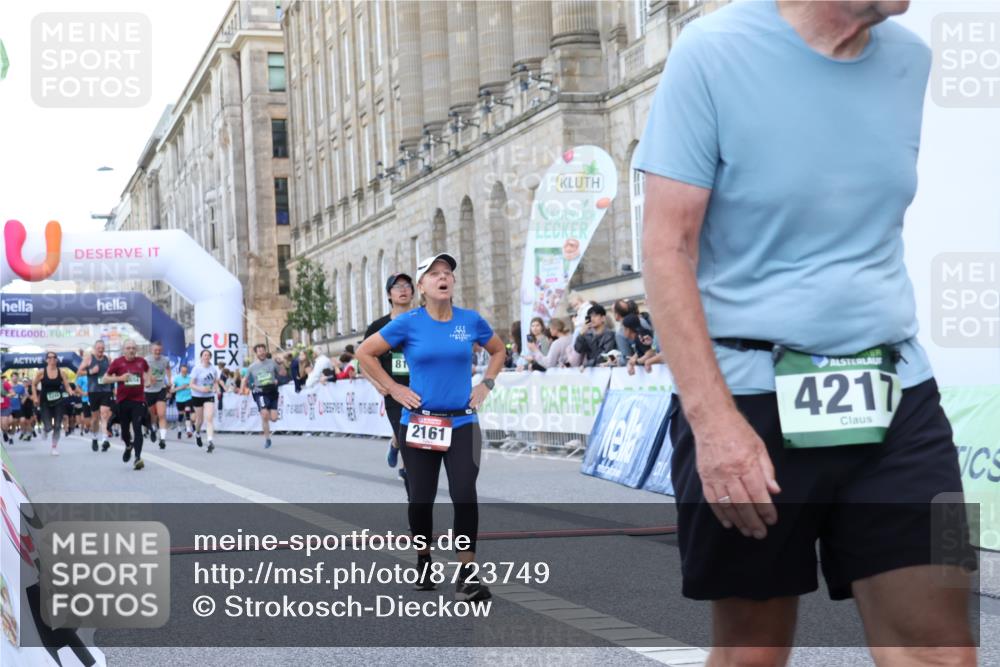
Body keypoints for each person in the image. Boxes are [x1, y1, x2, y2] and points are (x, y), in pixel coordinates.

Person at [635, 1, 975, 665]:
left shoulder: (911, 59)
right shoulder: (709, 50)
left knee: (945, 650)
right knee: (751, 654)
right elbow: (667, 246)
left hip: (901, 399)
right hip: (749, 404)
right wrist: (713, 424)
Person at [357, 252, 505, 602]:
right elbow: (365, 352)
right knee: (421, 500)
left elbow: (498, 351)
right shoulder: (409, 323)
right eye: (434, 273)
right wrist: (393, 388)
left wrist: (487, 383)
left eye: (448, 273)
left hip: (462, 421)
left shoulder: (470, 321)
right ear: (422, 286)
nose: (443, 277)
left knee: (465, 495)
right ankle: (424, 559)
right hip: (421, 423)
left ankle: (466, 574)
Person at [363, 272, 415, 492]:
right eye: (397, 286)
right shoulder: (379, 326)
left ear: (413, 291)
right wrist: (379, 385)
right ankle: (412, 490)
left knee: (413, 438)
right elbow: (363, 361)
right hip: (394, 393)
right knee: (409, 442)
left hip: (423, 389)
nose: (403, 289)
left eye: (407, 285)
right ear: (389, 294)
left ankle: (395, 446)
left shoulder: (424, 320)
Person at [103, 339, 150, 470]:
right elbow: (105, 378)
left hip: (138, 401)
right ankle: (128, 446)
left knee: (137, 429)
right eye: (128, 348)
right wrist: (120, 378)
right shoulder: (117, 362)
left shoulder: (142, 361)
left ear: (136, 350)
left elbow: (148, 371)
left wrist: (147, 381)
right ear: (124, 350)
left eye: (133, 348)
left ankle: (137, 458)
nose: (131, 350)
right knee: (125, 432)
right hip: (123, 402)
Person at [30, 352, 75, 456]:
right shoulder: (41, 372)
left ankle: (54, 447)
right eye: (49, 358)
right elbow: (33, 384)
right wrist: (35, 397)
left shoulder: (61, 372)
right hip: (45, 401)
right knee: (49, 426)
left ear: (57, 359)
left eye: (54, 357)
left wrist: (69, 390)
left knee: (58, 425)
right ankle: (45, 430)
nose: (52, 359)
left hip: (58, 401)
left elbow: (67, 385)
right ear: (46, 360)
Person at [242, 344, 281, 449]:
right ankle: (267, 439)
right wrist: (242, 389)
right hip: (260, 392)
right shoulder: (252, 367)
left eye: (263, 351)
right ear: (256, 353)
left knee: (274, 418)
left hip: (272, 391)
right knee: (264, 415)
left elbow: (283, 373)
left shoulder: (272, 362)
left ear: (265, 352)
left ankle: (273, 415)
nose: (262, 353)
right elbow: (244, 379)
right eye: (259, 351)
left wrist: (281, 363)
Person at [79, 340, 114, 452]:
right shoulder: (89, 358)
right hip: (93, 391)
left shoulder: (107, 359)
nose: (100, 349)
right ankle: (94, 437)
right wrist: (90, 372)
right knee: (95, 418)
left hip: (106, 390)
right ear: (95, 348)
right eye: (98, 347)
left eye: (102, 348)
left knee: (104, 415)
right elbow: (79, 372)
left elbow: (112, 372)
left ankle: (104, 440)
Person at [189, 350, 220, 452]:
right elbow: (191, 384)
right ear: (201, 357)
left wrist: (216, 388)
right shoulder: (197, 369)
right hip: (197, 396)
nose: (206, 357)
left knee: (209, 417)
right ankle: (197, 433)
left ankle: (210, 441)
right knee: (200, 420)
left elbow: (215, 381)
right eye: (204, 355)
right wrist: (201, 389)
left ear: (210, 357)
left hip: (209, 395)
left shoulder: (213, 369)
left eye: (208, 355)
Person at [143, 341, 172, 449]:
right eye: (155, 350)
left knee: (162, 414)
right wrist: (148, 380)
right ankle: (153, 428)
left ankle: (163, 439)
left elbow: (168, 369)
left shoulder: (165, 360)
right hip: (149, 390)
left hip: (161, 389)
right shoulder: (146, 360)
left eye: (159, 350)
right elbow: (141, 373)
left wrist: (169, 380)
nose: (157, 352)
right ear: (151, 350)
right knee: (151, 415)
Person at [170, 364, 194, 439]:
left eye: (185, 371)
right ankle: (179, 430)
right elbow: (172, 390)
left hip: (188, 398)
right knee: (180, 416)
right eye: (183, 371)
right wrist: (181, 387)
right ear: (180, 371)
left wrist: (189, 386)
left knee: (187, 412)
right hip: (179, 399)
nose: (184, 372)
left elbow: (192, 387)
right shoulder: (176, 378)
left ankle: (188, 430)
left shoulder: (190, 378)